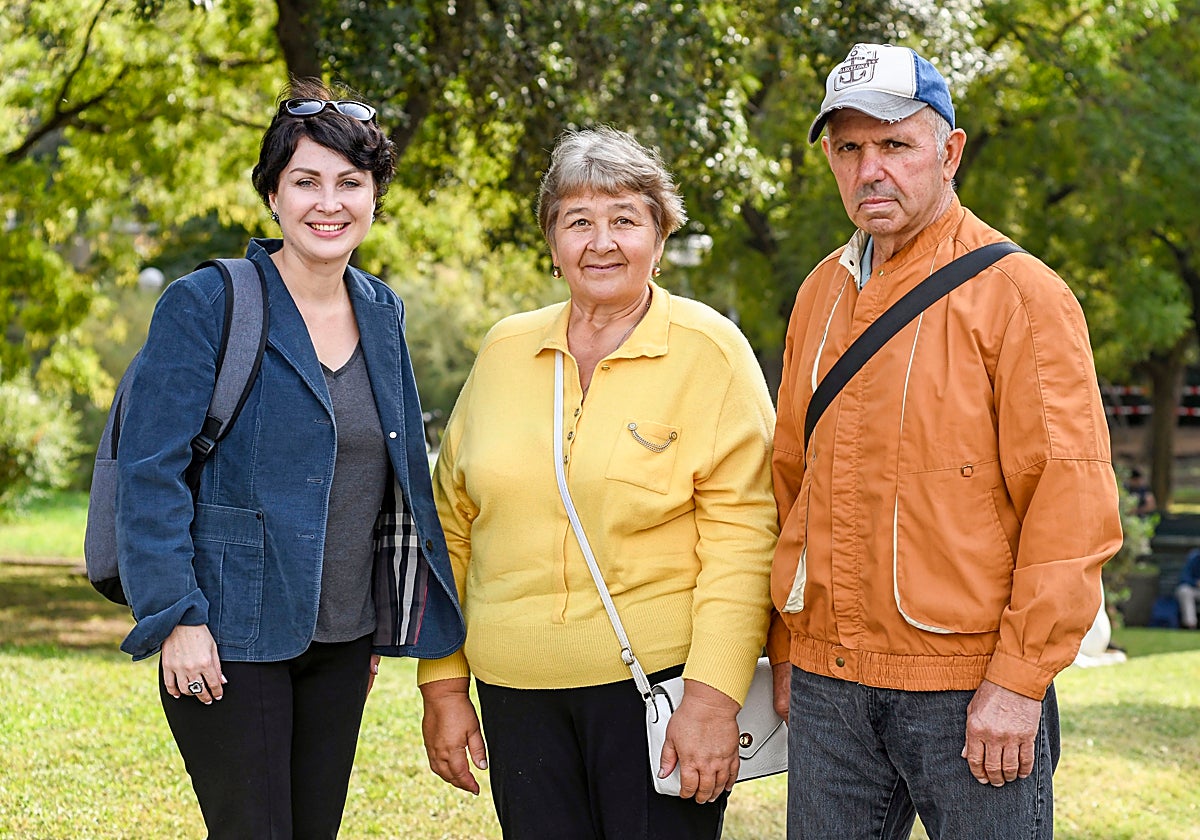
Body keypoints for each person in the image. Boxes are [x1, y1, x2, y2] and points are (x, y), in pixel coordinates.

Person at [768, 43, 1123, 839]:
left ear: (948, 151)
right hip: (829, 683)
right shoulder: (819, 293)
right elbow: (792, 482)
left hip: (971, 693)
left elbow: (1070, 507)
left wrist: (1021, 681)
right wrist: (788, 647)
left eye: (894, 144)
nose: (869, 170)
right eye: (848, 147)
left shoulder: (1022, 295)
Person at [115, 78, 465, 838]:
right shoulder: (207, 302)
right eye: (305, 181)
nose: (328, 203)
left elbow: (395, 477)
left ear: (374, 198)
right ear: (273, 195)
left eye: (350, 183)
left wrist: (381, 619)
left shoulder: (382, 311)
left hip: (342, 640)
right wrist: (177, 618)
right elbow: (151, 476)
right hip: (226, 633)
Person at [417, 126, 778, 839]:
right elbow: (448, 527)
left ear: (660, 234)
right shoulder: (504, 349)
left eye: (624, 220)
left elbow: (744, 540)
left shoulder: (711, 352)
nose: (601, 242)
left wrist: (711, 699)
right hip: (514, 696)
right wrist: (443, 682)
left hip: (660, 694)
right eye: (578, 221)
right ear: (553, 245)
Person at [1177, 548, 1200, 630]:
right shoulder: (1194, 559)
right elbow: (1184, 578)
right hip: (1193, 589)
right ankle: (1191, 624)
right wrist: (1196, 582)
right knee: (1184, 591)